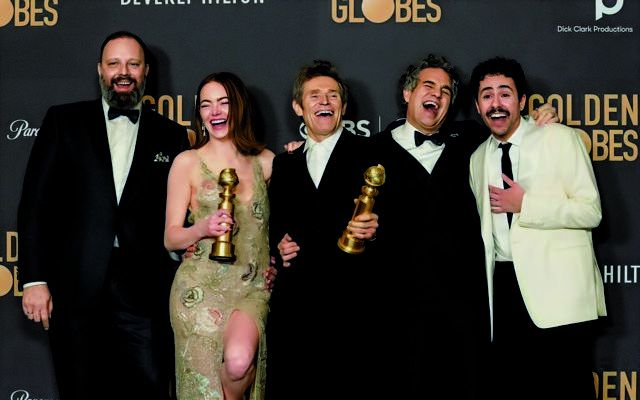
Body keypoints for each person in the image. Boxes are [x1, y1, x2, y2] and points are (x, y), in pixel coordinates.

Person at [369, 54, 558, 398]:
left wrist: (540, 118)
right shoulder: (370, 151)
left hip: (464, 307)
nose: (437, 95)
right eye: (428, 86)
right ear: (408, 94)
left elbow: (514, 129)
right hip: (399, 308)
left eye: (445, 91)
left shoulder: (473, 139)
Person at [18, 31, 190, 399]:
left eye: (132, 64)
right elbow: (35, 204)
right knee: (79, 390)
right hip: (75, 286)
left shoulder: (172, 135)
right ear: (100, 70)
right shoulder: (63, 121)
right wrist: (33, 280)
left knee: (150, 390)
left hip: (145, 291)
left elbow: (182, 213)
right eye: (114, 64)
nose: (123, 72)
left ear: (146, 71)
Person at [468, 56, 607, 400]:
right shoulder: (477, 158)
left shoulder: (559, 138)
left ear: (522, 101)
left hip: (559, 297)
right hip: (504, 296)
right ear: (477, 106)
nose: (496, 103)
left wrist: (525, 205)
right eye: (487, 95)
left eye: (505, 94)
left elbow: (590, 211)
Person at [266, 60, 379, 399]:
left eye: (332, 95)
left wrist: (375, 230)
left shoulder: (371, 153)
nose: (325, 101)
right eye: (314, 95)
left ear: (343, 105)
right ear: (298, 107)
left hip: (352, 308)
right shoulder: (283, 164)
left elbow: (396, 220)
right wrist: (278, 245)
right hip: (295, 311)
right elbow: (273, 225)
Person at [164, 71, 274, 400]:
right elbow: (171, 237)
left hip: (251, 289)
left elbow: (286, 224)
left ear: (239, 106)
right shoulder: (187, 162)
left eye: (224, 103)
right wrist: (202, 228)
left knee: (239, 362)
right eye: (206, 105)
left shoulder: (268, 162)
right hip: (198, 289)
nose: (215, 112)